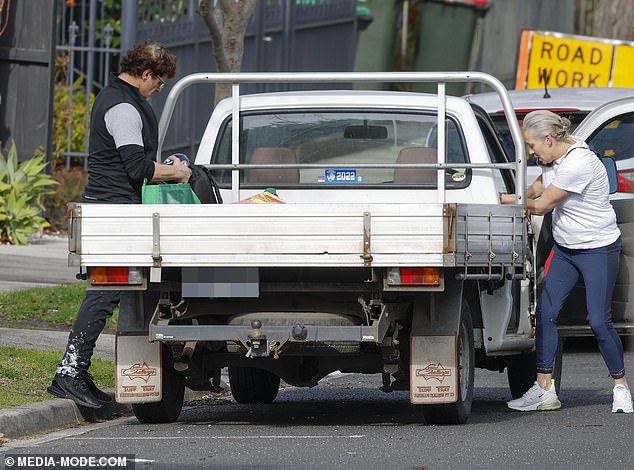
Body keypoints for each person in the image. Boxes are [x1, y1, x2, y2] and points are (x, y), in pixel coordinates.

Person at [47, 40, 191, 408]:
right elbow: (137, 167)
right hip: (113, 214)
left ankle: (74, 371)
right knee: (103, 295)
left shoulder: (116, 98)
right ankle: (70, 373)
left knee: (106, 296)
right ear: (145, 74)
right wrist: (175, 173)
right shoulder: (124, 107)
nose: (159, 89)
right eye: (159, 82)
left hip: (114, 210)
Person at [501, 109, 632, 413]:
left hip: (598, 248)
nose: (531, 152)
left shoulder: (579, 163)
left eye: (533, 146)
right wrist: (514, 194)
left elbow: (544, 204)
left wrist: (508, 202)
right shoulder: (552, 158)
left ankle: (621, 386)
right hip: (566, 249)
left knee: (599, 321)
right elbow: (537, 187)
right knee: (546, 313)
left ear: (549, 138)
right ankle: (545, 388)